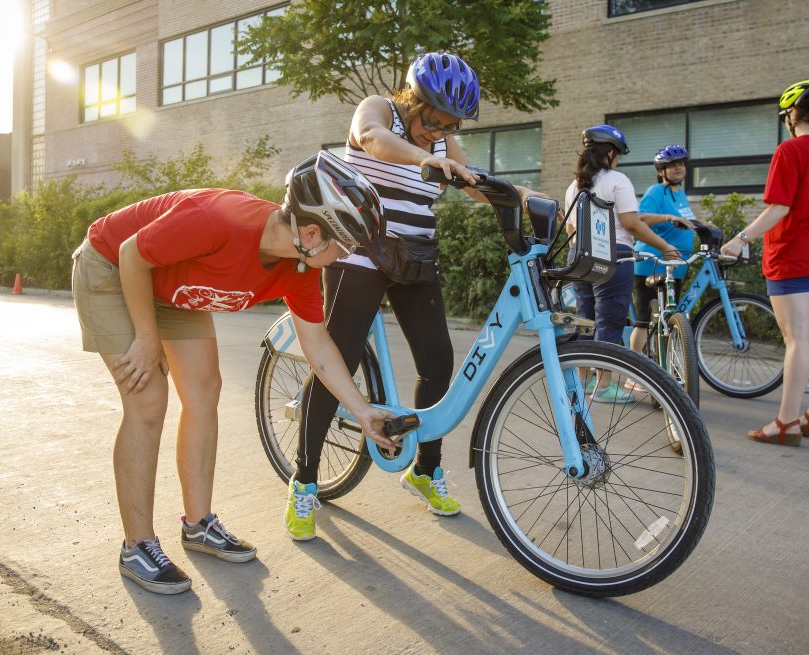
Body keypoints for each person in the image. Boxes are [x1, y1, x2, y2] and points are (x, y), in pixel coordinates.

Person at [71, 152, 396, 594]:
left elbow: (317, 346)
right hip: (114, 267)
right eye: (346, 246)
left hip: (172, 288)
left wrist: (363, 412)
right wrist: (146, 339)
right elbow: (131, 254)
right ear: (313, 232)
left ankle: (198, 524)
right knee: (148, 399)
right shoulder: (220, 220)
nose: (348, 257)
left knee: (205, 390)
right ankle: (137, 545)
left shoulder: (299, 268)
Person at [288, 52, 544, 538]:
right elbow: (371, 139)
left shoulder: (445, 140)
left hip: (416, 257)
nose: (439, 132)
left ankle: (424, 470)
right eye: (433, 121)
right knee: (335, 364)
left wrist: (531, 198)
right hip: (359, 252)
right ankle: (304, 481)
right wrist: (426, 157)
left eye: (449, 126)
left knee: (438, 363)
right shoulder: (380, 109)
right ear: (414, 100)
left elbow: (474, 186)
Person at [721, 80, 809, 446]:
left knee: (796, 339)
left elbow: (779, 208)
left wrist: (740, 239)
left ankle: (786, 422)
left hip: (793, 255)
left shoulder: (791, 151)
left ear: (793, 114)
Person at [565, 125, 680, 403]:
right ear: (612, 153)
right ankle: (604, 386)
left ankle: (582, 381)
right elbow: (631, 223)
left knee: (585, 319)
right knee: (609, 321)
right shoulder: (618, 180)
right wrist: (665, 247)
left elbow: (570, 229)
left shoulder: (574, 185)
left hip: (579, 255)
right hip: (613, 254)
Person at [629, 144, 697, 360]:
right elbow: (641, 218)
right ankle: (634, 369)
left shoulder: (680, 194)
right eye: (672, 165)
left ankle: (664, 368)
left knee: (668, 320)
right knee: (643, 320)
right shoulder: (656, 192)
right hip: (653, 263)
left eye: (681, 164)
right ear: (661, 171)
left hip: (675, 265)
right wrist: (669, 218)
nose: (678, 168)